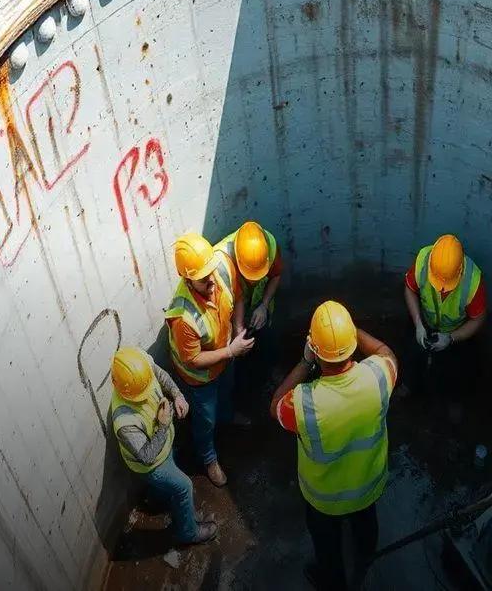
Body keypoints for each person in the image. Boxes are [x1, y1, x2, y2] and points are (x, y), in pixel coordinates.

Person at [270, 301, 397, 590]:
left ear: (314, 349)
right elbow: (385, 352)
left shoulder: (303, 402)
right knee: (366, 530)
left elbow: (275, 405)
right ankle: (365, 559)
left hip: (324, 502)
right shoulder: (378, 377)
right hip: (367, 489)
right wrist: (352, 331)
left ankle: (334, 583)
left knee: (327, 551)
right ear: (352, 343)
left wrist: (305, 362)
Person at [165, 233, 255, 487]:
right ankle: (209, 458)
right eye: (204, 280)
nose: (212, 283)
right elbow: (193, 359)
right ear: (187, 279)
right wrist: (231, 351)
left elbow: (238, 296)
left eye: (211, 273)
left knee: (226, 393)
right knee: (205, 419)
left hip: (227, 354)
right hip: (201, 377)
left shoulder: (221, 268)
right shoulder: (183, 316)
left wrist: (237, 327)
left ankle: (228, 416)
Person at [108, 347, 217, 544]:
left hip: (165, 447)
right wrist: (164, 426)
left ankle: (156, 501)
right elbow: (147, 456)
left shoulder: (140, 365)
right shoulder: (124, 421)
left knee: (169, 483)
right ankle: (188, 533)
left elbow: (161, 374)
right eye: (141, 394)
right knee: (184, 486)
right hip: (152, 465)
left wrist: (178, 395)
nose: (148, 395)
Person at [402, 234, 486, 409]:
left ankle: (452, 402)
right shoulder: (423, 261)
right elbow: (409, 289)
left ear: (460, 270)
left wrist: (451, 338)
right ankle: (408, 386)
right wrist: (418, 324)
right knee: (412, 354)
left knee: (456, 369)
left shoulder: (473, 281)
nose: (440, 288)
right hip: (425, 323)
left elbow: (478, 319)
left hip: (455, 333)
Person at [215, 221, 287, 390]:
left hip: (259, 310)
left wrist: (264, 305)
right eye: (250, 275)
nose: (254, 280)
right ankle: (245, 390)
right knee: (239, 361)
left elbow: (276, 275)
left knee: (267, 343)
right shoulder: (221, 261)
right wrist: (237, 327)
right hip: (235, 317)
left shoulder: (268, 246)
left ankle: (270, 373)